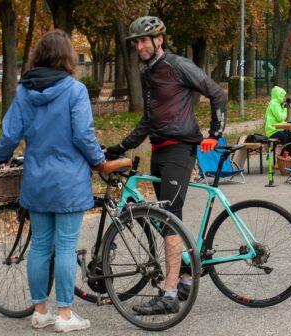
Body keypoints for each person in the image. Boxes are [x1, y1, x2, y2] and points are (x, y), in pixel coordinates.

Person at [105, 16, 227, 315]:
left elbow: (217, 92)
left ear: (159, 39)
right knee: (164, 219)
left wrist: (215, 133)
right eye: (135, 42)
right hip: (159, 151)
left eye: (144, 40)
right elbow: (149, 119)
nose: (139, 46)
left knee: (169, 217)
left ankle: (169, 294)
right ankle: (185, 275)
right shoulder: (150, 75)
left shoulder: (178, 65)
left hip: (179, 151)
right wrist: (121, 146)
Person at [0, 30, 105, 332]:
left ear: (39, 56)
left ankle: (40, 311)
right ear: (67, 56)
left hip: (37, 181)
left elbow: (9, 135)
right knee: (66, 247)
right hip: (69, 181)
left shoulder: (24, 92)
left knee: (41, 246)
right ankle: (66, 315)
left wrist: (1, 157)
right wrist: (98, 161)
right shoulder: (74, 90)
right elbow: (83, 135)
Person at [265, 86, 291, 155]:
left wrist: (284, 107)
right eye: (283, 96)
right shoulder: (274, 104)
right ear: (278, 96)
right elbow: (280, 118)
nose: (284, 98)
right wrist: (286, 109)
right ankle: (285, 156)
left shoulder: (278, 104)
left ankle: (286, 155)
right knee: (286, 137)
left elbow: (282, 117)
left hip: (279, 129)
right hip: (272, 131)